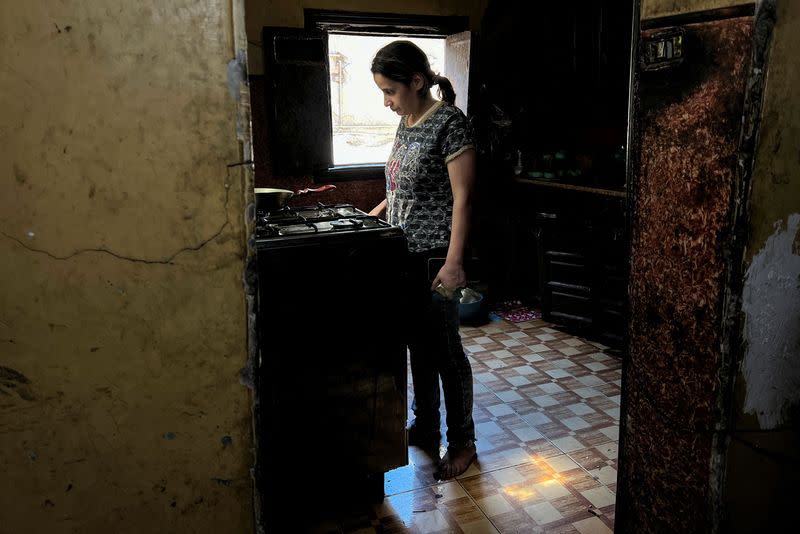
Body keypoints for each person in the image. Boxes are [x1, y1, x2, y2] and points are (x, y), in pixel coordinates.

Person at [369, 40, 477, 480]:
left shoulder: (450, 124)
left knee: (447, 353)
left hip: (435, 258)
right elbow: (401, 189)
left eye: (391, 91)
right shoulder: (409, 121)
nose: (387, 102)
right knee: (418, 346)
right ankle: (426, 424)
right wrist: (373, 215)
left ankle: (463, 441)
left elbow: (463, 198)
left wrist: (453, 264)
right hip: (403, 256)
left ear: (416, 81)